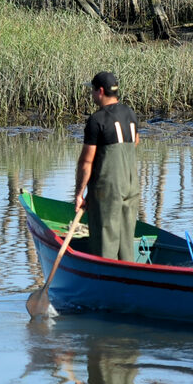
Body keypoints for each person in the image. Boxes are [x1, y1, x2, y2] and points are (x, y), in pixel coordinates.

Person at [74, 70, 141, 260]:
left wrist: (79, 194)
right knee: (126, 241)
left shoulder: (96, 120)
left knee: (105, 242)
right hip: (131, 186)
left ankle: (105, 279)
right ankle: (128, 278)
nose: (92, 94)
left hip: (107, 191)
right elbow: (135, 141)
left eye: (92, 91)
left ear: (100, 91)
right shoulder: (130, 113)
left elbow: (86, 162)